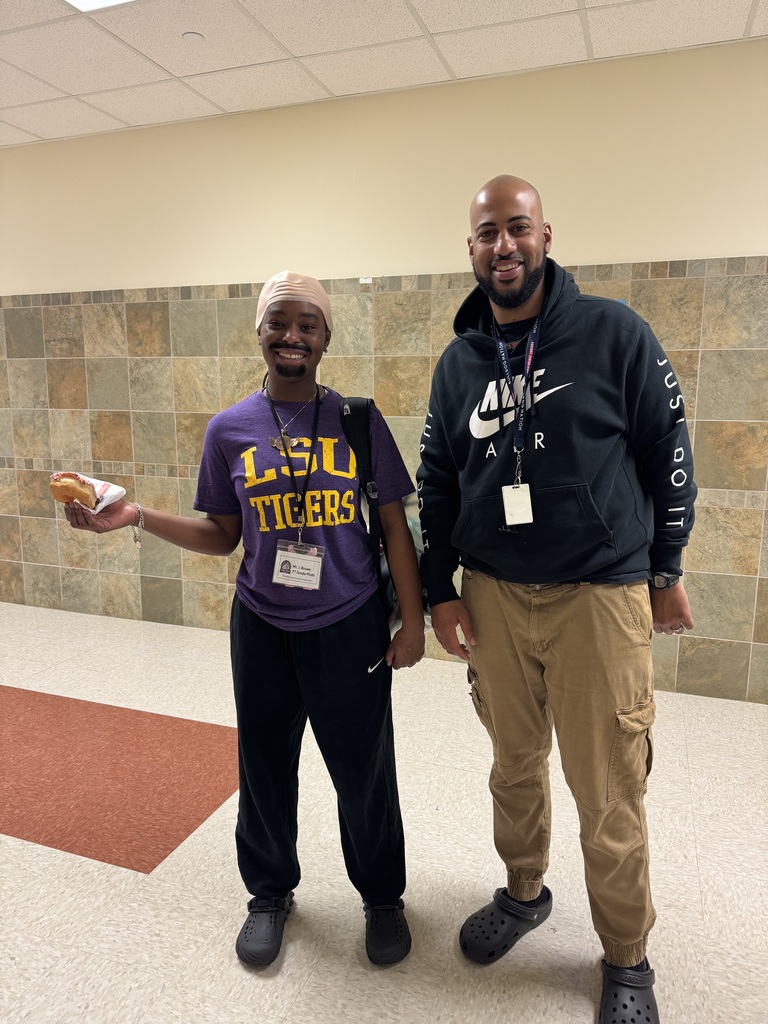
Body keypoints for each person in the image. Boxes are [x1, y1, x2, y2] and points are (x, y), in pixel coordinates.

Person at [64, 271, 425, 968]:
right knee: (262, 767)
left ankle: (382, 897)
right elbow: (221, 534)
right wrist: (138, 515)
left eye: (307, 325)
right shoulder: (229, 430)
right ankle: (269, 894)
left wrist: (412, 625)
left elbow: (394, 527)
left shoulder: (357, 419)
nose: (292, 337)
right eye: (279, 323)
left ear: (326, 337)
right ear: (259, 332)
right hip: (260, 625)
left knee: (364, 770)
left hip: (348, 623)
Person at [416, 176, 695, 1024]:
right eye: (486, 233)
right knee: (513, 765)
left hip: (597, 595)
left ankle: (626, 955)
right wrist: (439, 591)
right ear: (470, 251)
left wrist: (667, 564)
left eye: (518, 229)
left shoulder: (613, 332)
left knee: (608, 785)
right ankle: (524, 891)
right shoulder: (461, 361)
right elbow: (436, 481)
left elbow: (666, 448)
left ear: (546, 235)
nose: (503, 246)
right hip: (494, 597)